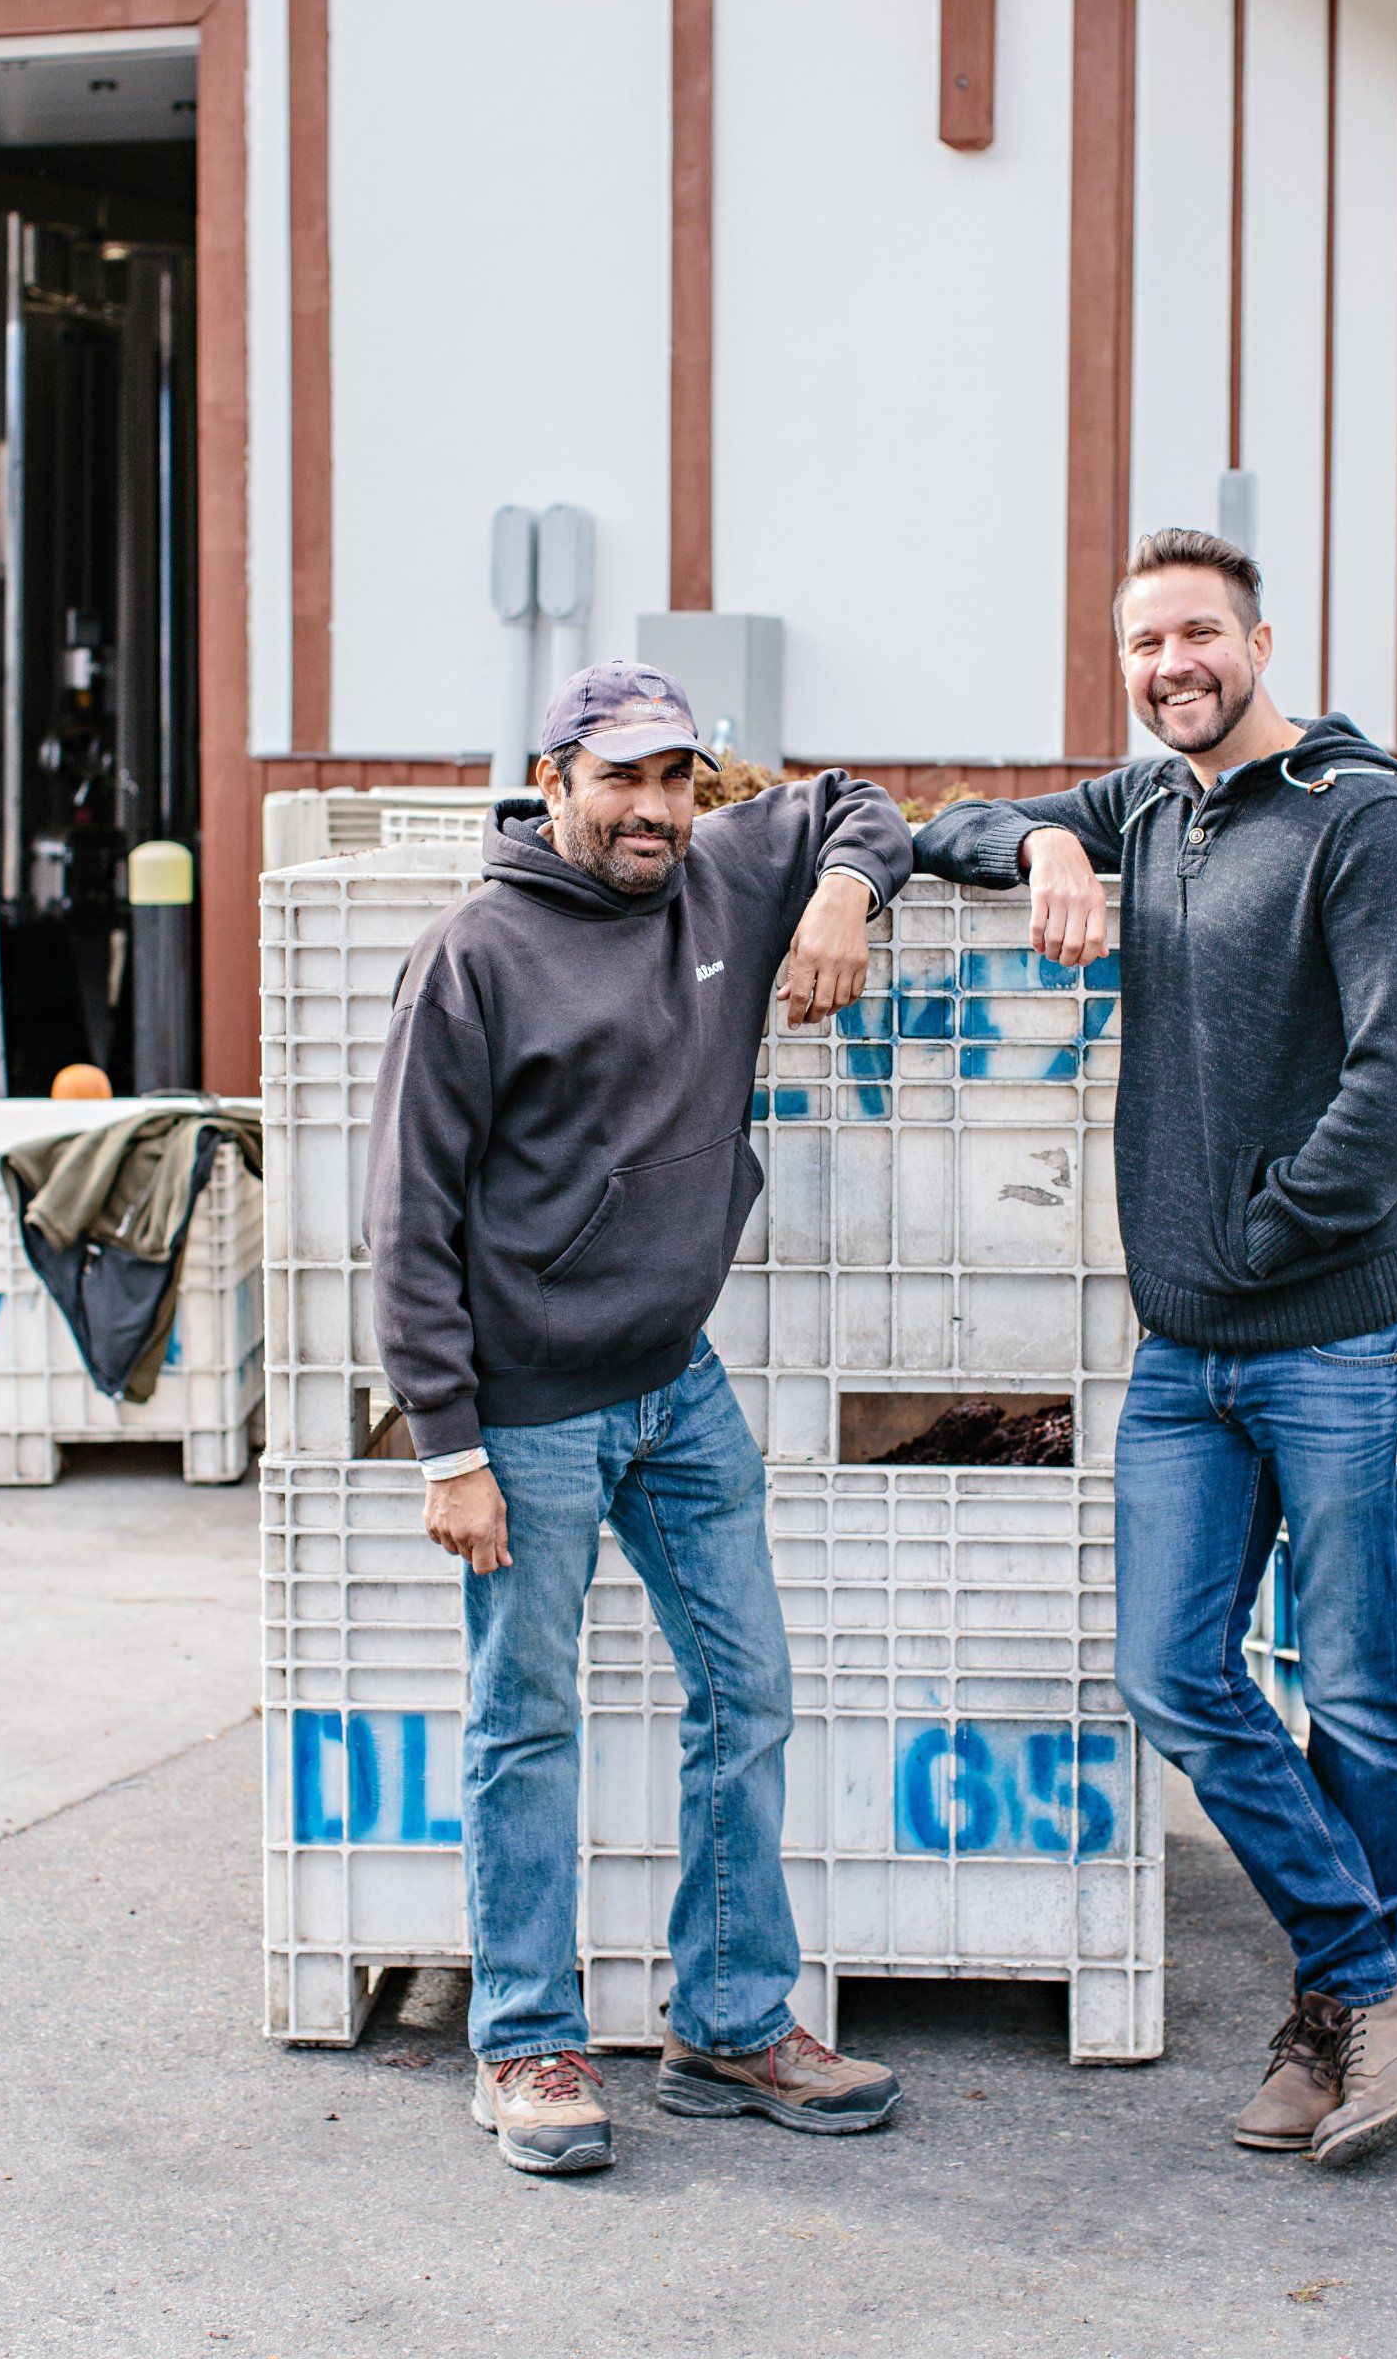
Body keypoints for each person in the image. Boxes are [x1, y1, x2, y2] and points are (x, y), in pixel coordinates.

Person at [913, 528, 1397, 2168]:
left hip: (1339, 1336)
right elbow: (953, 820)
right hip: (1188, 1357)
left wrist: (1258, 1230)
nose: (1175, 665)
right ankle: (1379, 1988)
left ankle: (1334, 2024)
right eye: (1146, 644)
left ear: (1261, 641)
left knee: (1359, 1693)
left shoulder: (1352, 814)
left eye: (1201, 636)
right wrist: (1042, 853)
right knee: (1173, 1669)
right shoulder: (1148, 803)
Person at [365, 660, 913, 2175]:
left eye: (676, 778)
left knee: (751, 1692)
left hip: (678, 1382)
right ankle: (529, 2043)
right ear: (552, 787)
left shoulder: (722, 881)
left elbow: (861, 805)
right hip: (528, 1414)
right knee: (526, 1724)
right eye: (622, 780)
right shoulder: (474, 956)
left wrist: (844, 896)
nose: (655, 809)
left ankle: (731, 2022)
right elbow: (405, 1220)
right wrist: (449, 1445)